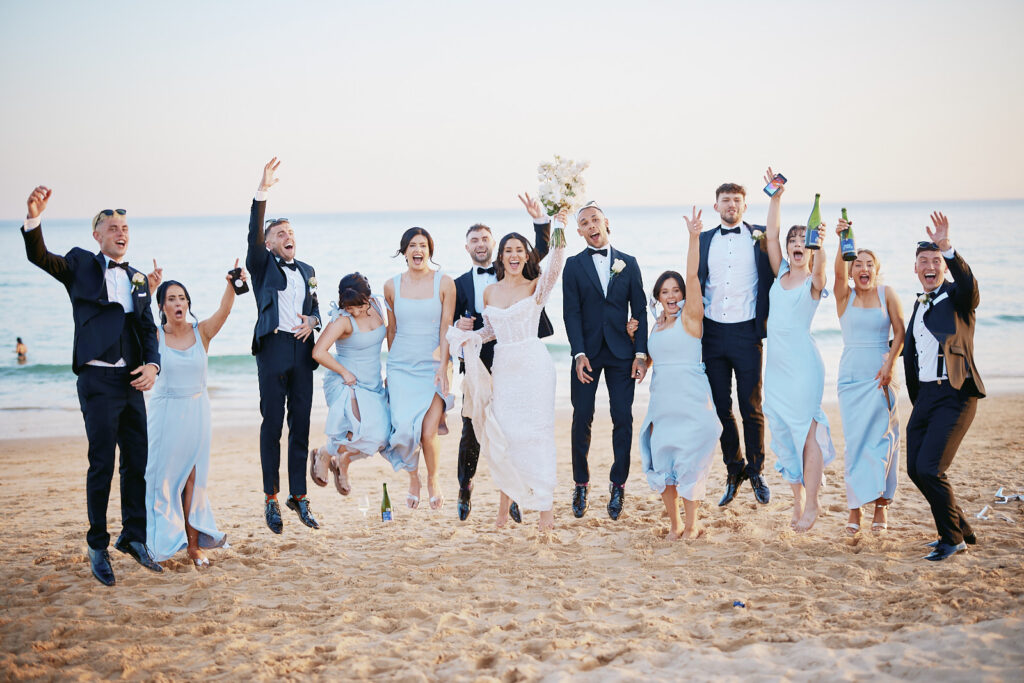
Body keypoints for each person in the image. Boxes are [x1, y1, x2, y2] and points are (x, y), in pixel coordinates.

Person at [21, 186, 162, 586]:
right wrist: (34, 218)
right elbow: (40, 257)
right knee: (102, 463)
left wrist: (153, 365)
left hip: (132, 381)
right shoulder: (81, 264)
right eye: (112, 227)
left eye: (125, 228)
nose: (121, 233)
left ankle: (133, 537)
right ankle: (97, 544)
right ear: (97, 235)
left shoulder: (137, 278)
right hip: (97, 379)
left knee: (137, 462)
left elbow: (147, 328)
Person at [447, 210, 568, 530]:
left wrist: (558, 227)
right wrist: (468, 337)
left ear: (527, 256)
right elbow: (490, 331)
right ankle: (504, 511)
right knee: (506, 437)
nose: (514, 255)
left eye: (520, 250)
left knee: (537, 436)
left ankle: (545, 513)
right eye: (508, 250)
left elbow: (556, 262)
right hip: (504, 367)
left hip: (533, 365)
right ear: (501, 257)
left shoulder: (536, 286)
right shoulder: (490, 292)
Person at [145, 264, 244, 567]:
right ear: (162, 306)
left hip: (198, 411)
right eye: (171, 298)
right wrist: (147, 290)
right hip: (165, 412)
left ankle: (192, 545)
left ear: (188, 304)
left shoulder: (201, 332)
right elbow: (133, 319)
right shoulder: (154, 335)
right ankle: (158, 541)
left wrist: (231, 284)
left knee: (193, 478)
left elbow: (224, 312)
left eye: (182, 298)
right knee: (161, 479)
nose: (178, 303)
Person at [904, 213, 985, 562]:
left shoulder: (959, 297)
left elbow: (970, 285)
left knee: (931, 469)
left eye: (935, 261)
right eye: (923, 261)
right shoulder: (918, 303)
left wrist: (947, 247)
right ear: (916, 270)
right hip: (926, 396)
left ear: (944, 268)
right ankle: (960, 528)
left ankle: (952, 540)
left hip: (955, 393)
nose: (929, 265)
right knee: (914, 468)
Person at [247, 158, 322, 534]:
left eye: (290, 232)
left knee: (302, 427)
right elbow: (253, 233)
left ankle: (299, 496)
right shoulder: (262, 265)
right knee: (272, 425)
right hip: (273, 348)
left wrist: (314, 321)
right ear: (270, 242)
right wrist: (264, 191)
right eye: (280, 233)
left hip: (303, 353)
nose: (287, 236)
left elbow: (316, 309)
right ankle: (271, 498)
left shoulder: (308, 271)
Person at [639, 208, 723, 540]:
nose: (672, 296)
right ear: (658, 298)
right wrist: (642, 364)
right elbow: (651, 359)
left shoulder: (692, 318)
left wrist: (693, 238)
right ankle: (674, 524)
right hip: (663, 402)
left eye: (675, 291)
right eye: (665, 292)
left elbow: (692, 277)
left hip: (691, 400)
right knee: (663, 462)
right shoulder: (656, 326)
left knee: (689, 462)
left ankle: (691, 525)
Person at [562, 201, 648, 520]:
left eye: (594, 219)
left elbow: (638, 311)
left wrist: (640, 353)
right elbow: (570, 312)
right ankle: (581, 483)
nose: (591, 225)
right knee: (582, 417)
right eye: (584, 222)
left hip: (621, 352)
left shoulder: (629, 262)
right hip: (587, 353)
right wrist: (578, 353)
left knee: (622, 418)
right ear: (580, 231)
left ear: (606, 222)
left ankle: (618, 485)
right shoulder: (573, 266)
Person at [762, 172, 837, 532]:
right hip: (775, 369)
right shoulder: (779, 274)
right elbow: (772, 235)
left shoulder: (811, 282)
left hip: (804, 368)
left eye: (801, 241)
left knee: (806, 433)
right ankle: (797, 498)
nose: (795, 244)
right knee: (781, 431)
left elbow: (823, 273)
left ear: (808, 248)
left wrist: (820, 244)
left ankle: (814, 504)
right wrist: (776, 196)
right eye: (793, 240)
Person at [697, 179, 775, 507]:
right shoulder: (702, 240)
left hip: (747, 333)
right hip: (712, 333)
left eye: (737, 200)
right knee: (720, 408)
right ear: (716, 206)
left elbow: (787, 262)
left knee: (751, 405)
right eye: (725, 200)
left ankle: (756, 470)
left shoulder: (761, 237)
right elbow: (692, 279)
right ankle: (734, 468)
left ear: (745, 206)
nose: (731, 205)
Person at [833, 229, 905, 535]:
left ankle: (880, 506)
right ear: (850, 271)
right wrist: (841, 240)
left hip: (881, 374)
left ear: (876, 270)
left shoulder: (886, 293)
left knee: (883, 442)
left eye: (869, 264)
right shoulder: (843, 296)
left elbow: (900, 332)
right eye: (858, 264)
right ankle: (854, 510)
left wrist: (889, 363)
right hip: (851, 377)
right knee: (855, 444)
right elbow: (834, 272)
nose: (864, 268)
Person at [383, 228, 456, 510]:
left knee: (427, 432)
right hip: (401, 367)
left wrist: (443, 366)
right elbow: (392, 331)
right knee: (403, 430)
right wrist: (391, 371)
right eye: (412, 245)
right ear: (404, 252)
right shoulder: (391, 286)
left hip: (433, 367)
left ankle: (433, 479)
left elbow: (445, 327)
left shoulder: (444, 283)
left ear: (430, 251)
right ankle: (413, 477)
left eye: (423, 245)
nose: (418, 250)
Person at [309, 273, 391, 495]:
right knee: (362, 435)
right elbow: (318, 352)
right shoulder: (342, 319)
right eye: (349, 307)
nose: (354, 311)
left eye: (358, 307)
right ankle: (325, 453)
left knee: (383, 438)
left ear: (367, 297)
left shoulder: (376, 303)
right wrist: (344, 372)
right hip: (348, 384)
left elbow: (392, 335)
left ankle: (342, 460)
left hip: (373, 383)